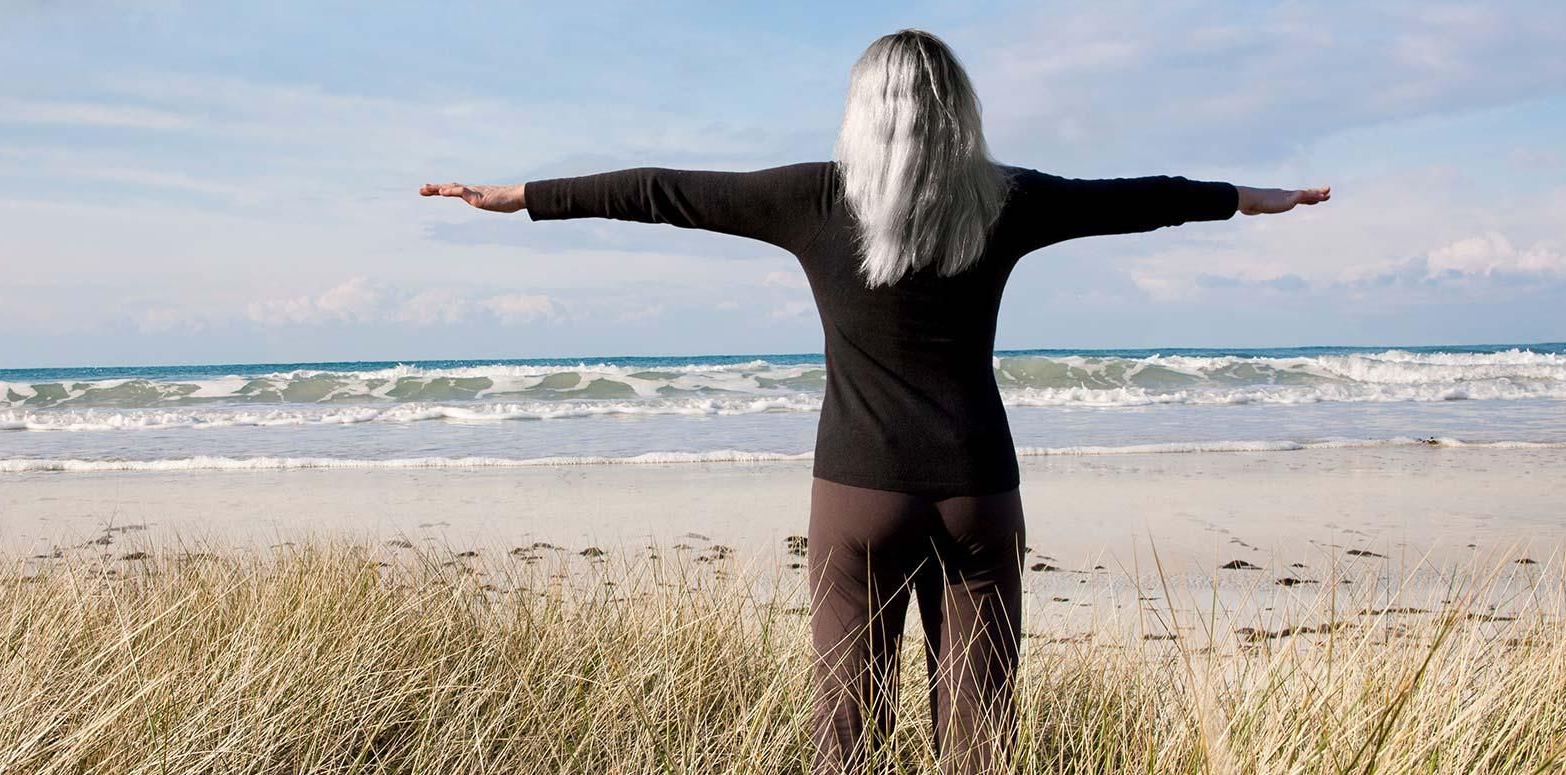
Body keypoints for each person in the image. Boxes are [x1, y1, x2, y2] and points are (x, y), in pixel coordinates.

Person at [420, 27, 1328, 775]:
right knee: (983, 740)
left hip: (857, 495)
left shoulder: (814, 196)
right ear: (959, 114)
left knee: (845, 736)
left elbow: (662, 192)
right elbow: (1139, 199)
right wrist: (1255, 199)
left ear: (862, 112)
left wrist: (521, 196)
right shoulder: (1004, 200)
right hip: (979, 490)